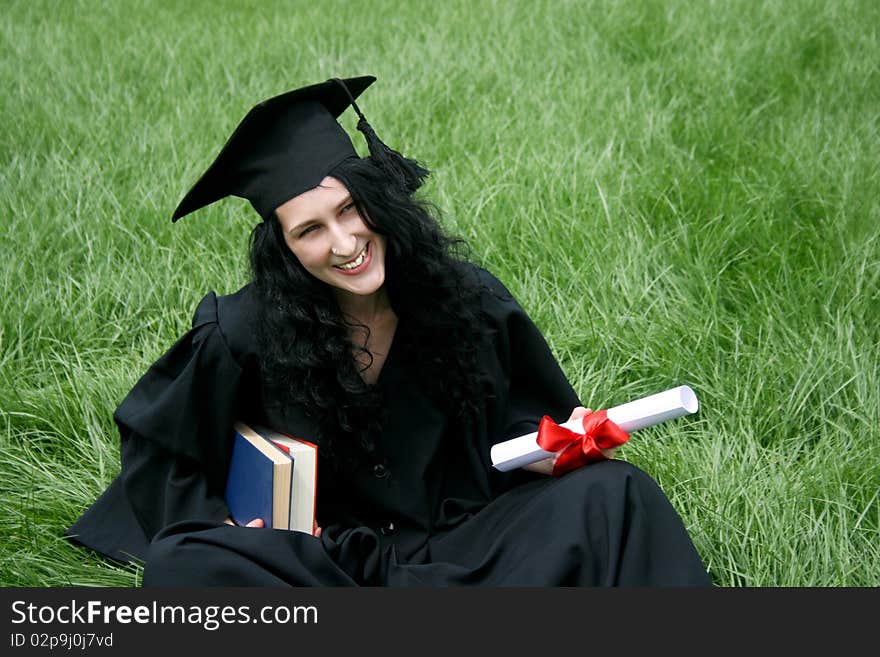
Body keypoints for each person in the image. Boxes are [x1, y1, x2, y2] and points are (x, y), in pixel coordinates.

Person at [66, 76, 711, 586]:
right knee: (186, 564)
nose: (345, 243)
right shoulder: (243, 335)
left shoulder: (466, 301)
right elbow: (163, 456)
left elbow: (523, 425)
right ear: (284, 248)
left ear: (380, 195)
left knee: (618, 496)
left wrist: (550, 450)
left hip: (467, 542)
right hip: (331, 568)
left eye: (351, 208)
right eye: (310, 229)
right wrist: (232, 526)